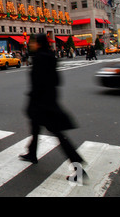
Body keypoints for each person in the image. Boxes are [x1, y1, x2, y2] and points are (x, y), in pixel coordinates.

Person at [19, 34, 87, 184]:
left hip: (42, 104)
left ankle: (79, 168)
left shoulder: (39, 59)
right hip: (48, 101)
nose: (31, 44)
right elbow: (57, 80)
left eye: (33, 42)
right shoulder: (50, 56)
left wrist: (34, 100)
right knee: (35, 129)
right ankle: (32, 153)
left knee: (59, 136)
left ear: (38, 44)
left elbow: (37, 83)